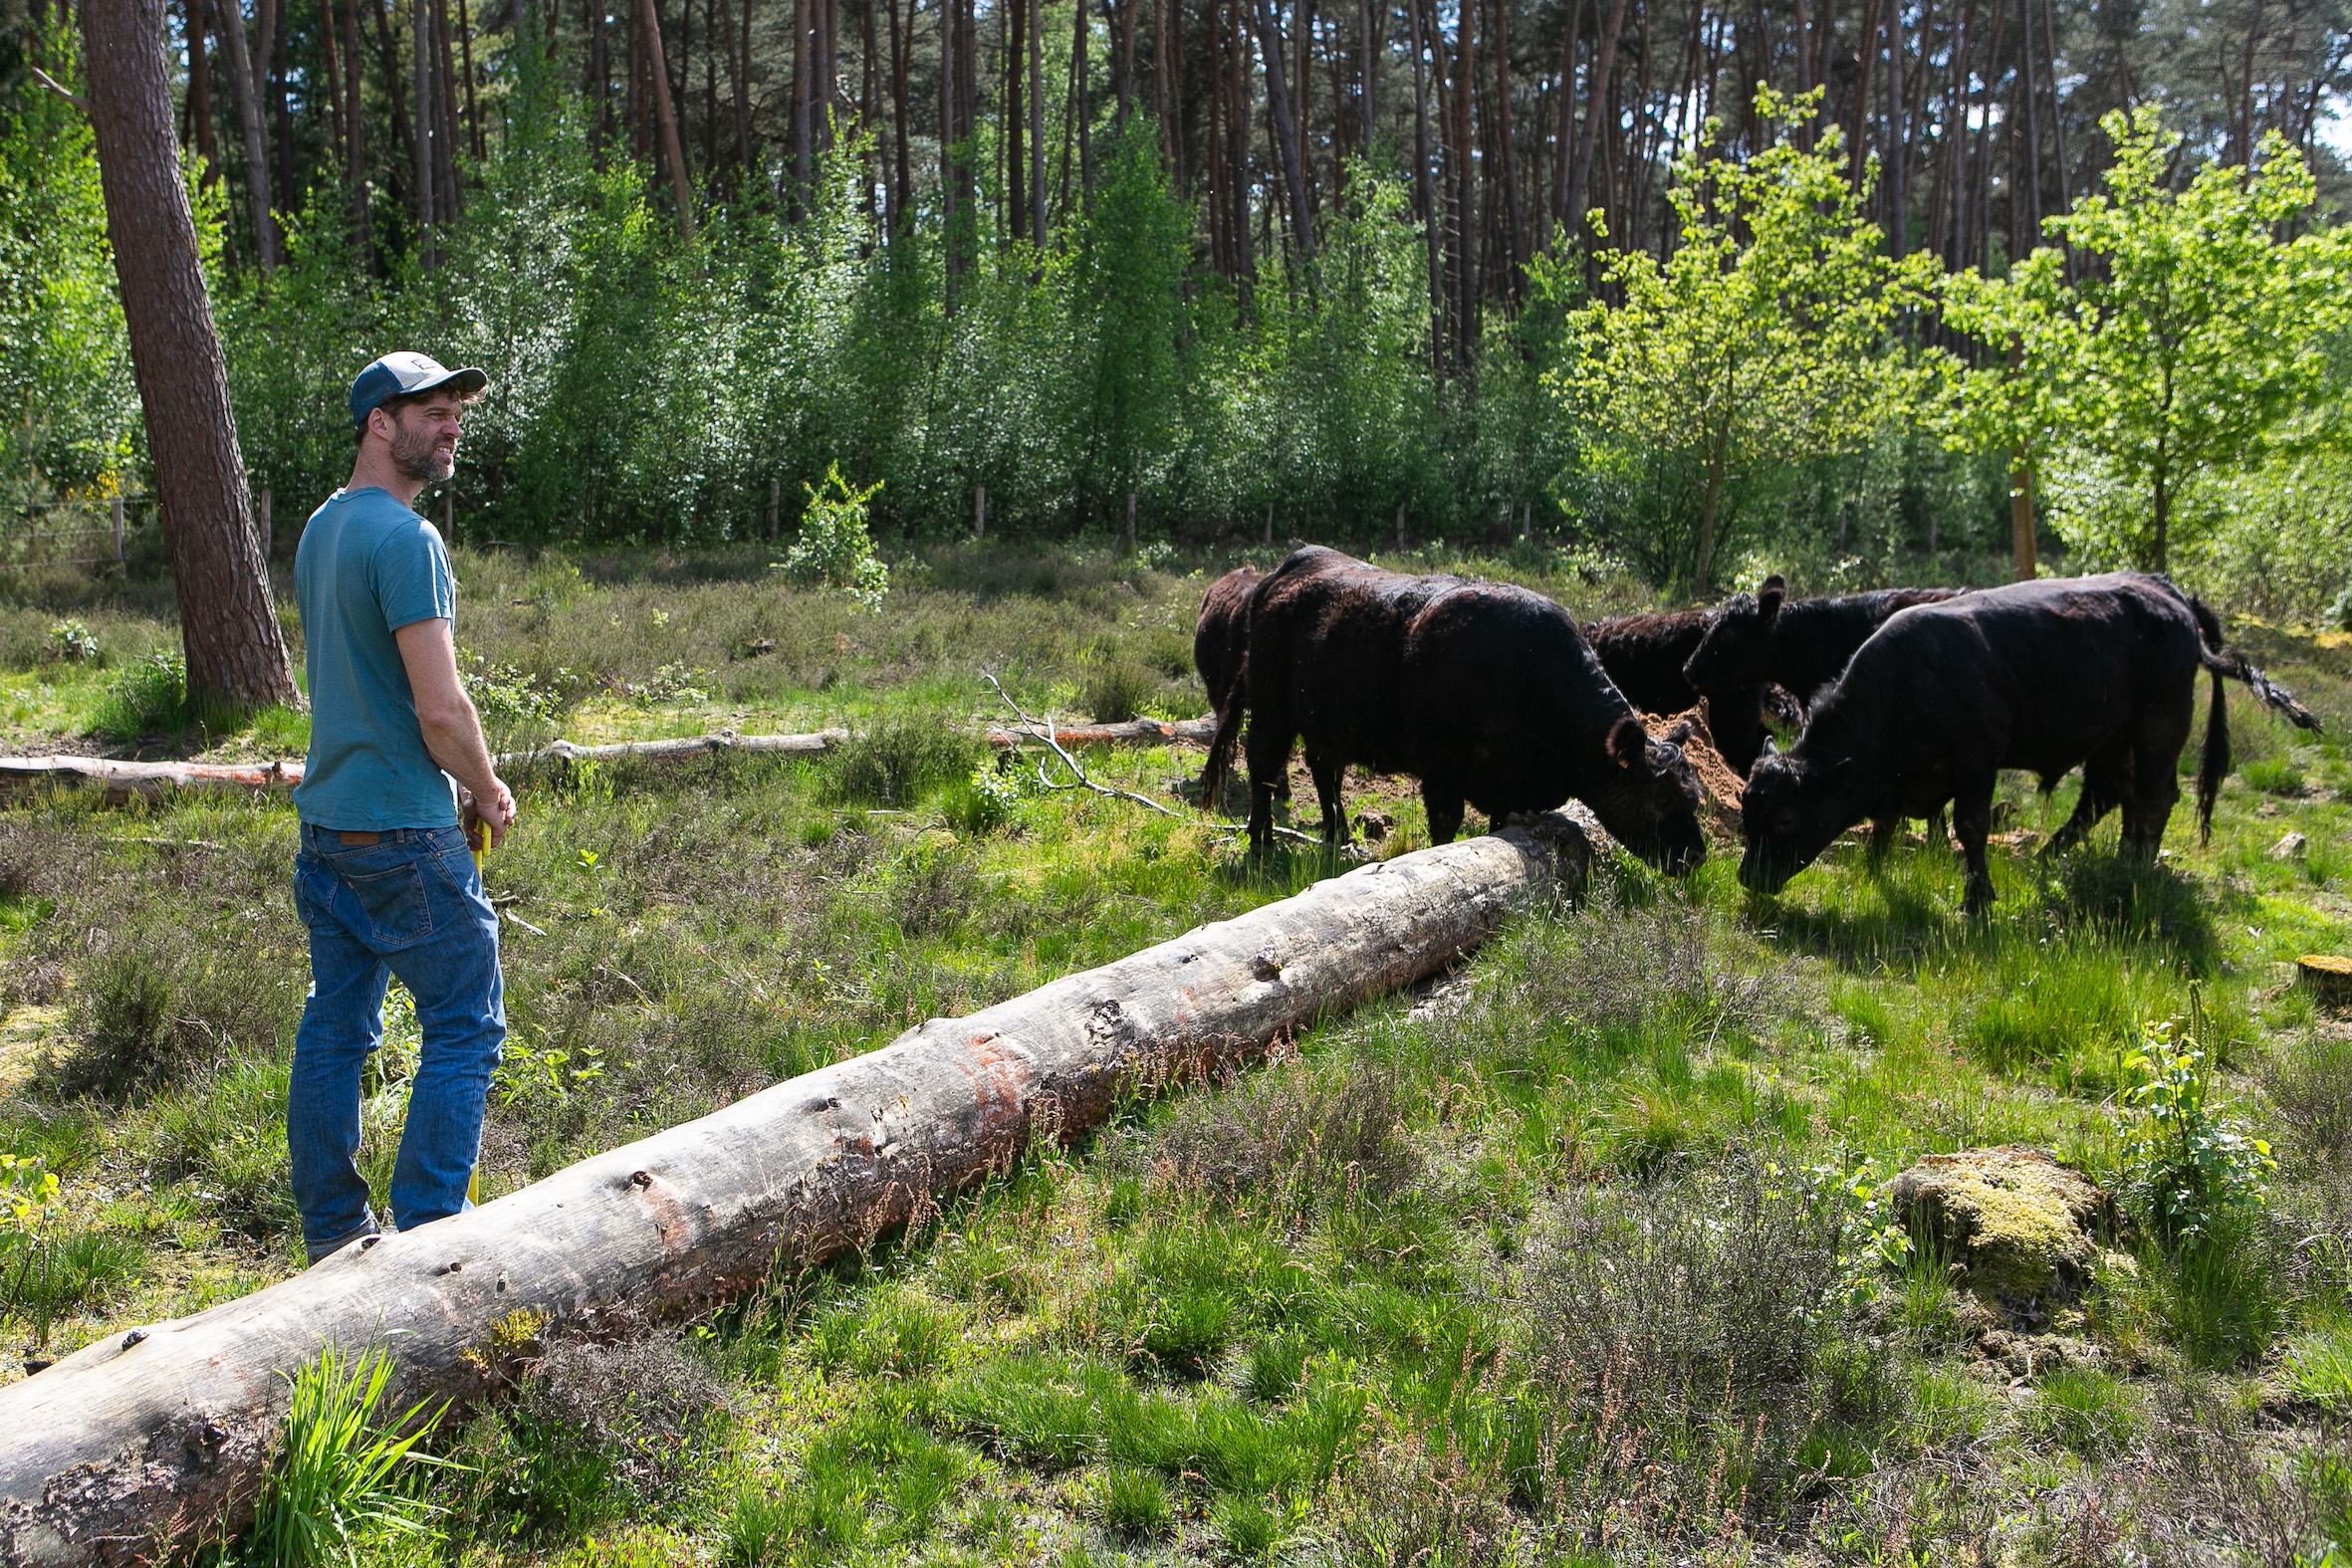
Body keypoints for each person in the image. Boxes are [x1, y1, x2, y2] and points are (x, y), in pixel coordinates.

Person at [287, 350, 516, 1264]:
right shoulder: (407, 540)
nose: (451, 425)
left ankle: (334, 1234)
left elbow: (371, 689)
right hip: (403, 834)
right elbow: (439, 708)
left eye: (457, 410)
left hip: (328, 832)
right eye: (431, 411)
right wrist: (485, 786)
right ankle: (428, 1241)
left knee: (336, 1028)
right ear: (379, 424)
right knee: (466, 1022)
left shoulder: (322, 528)